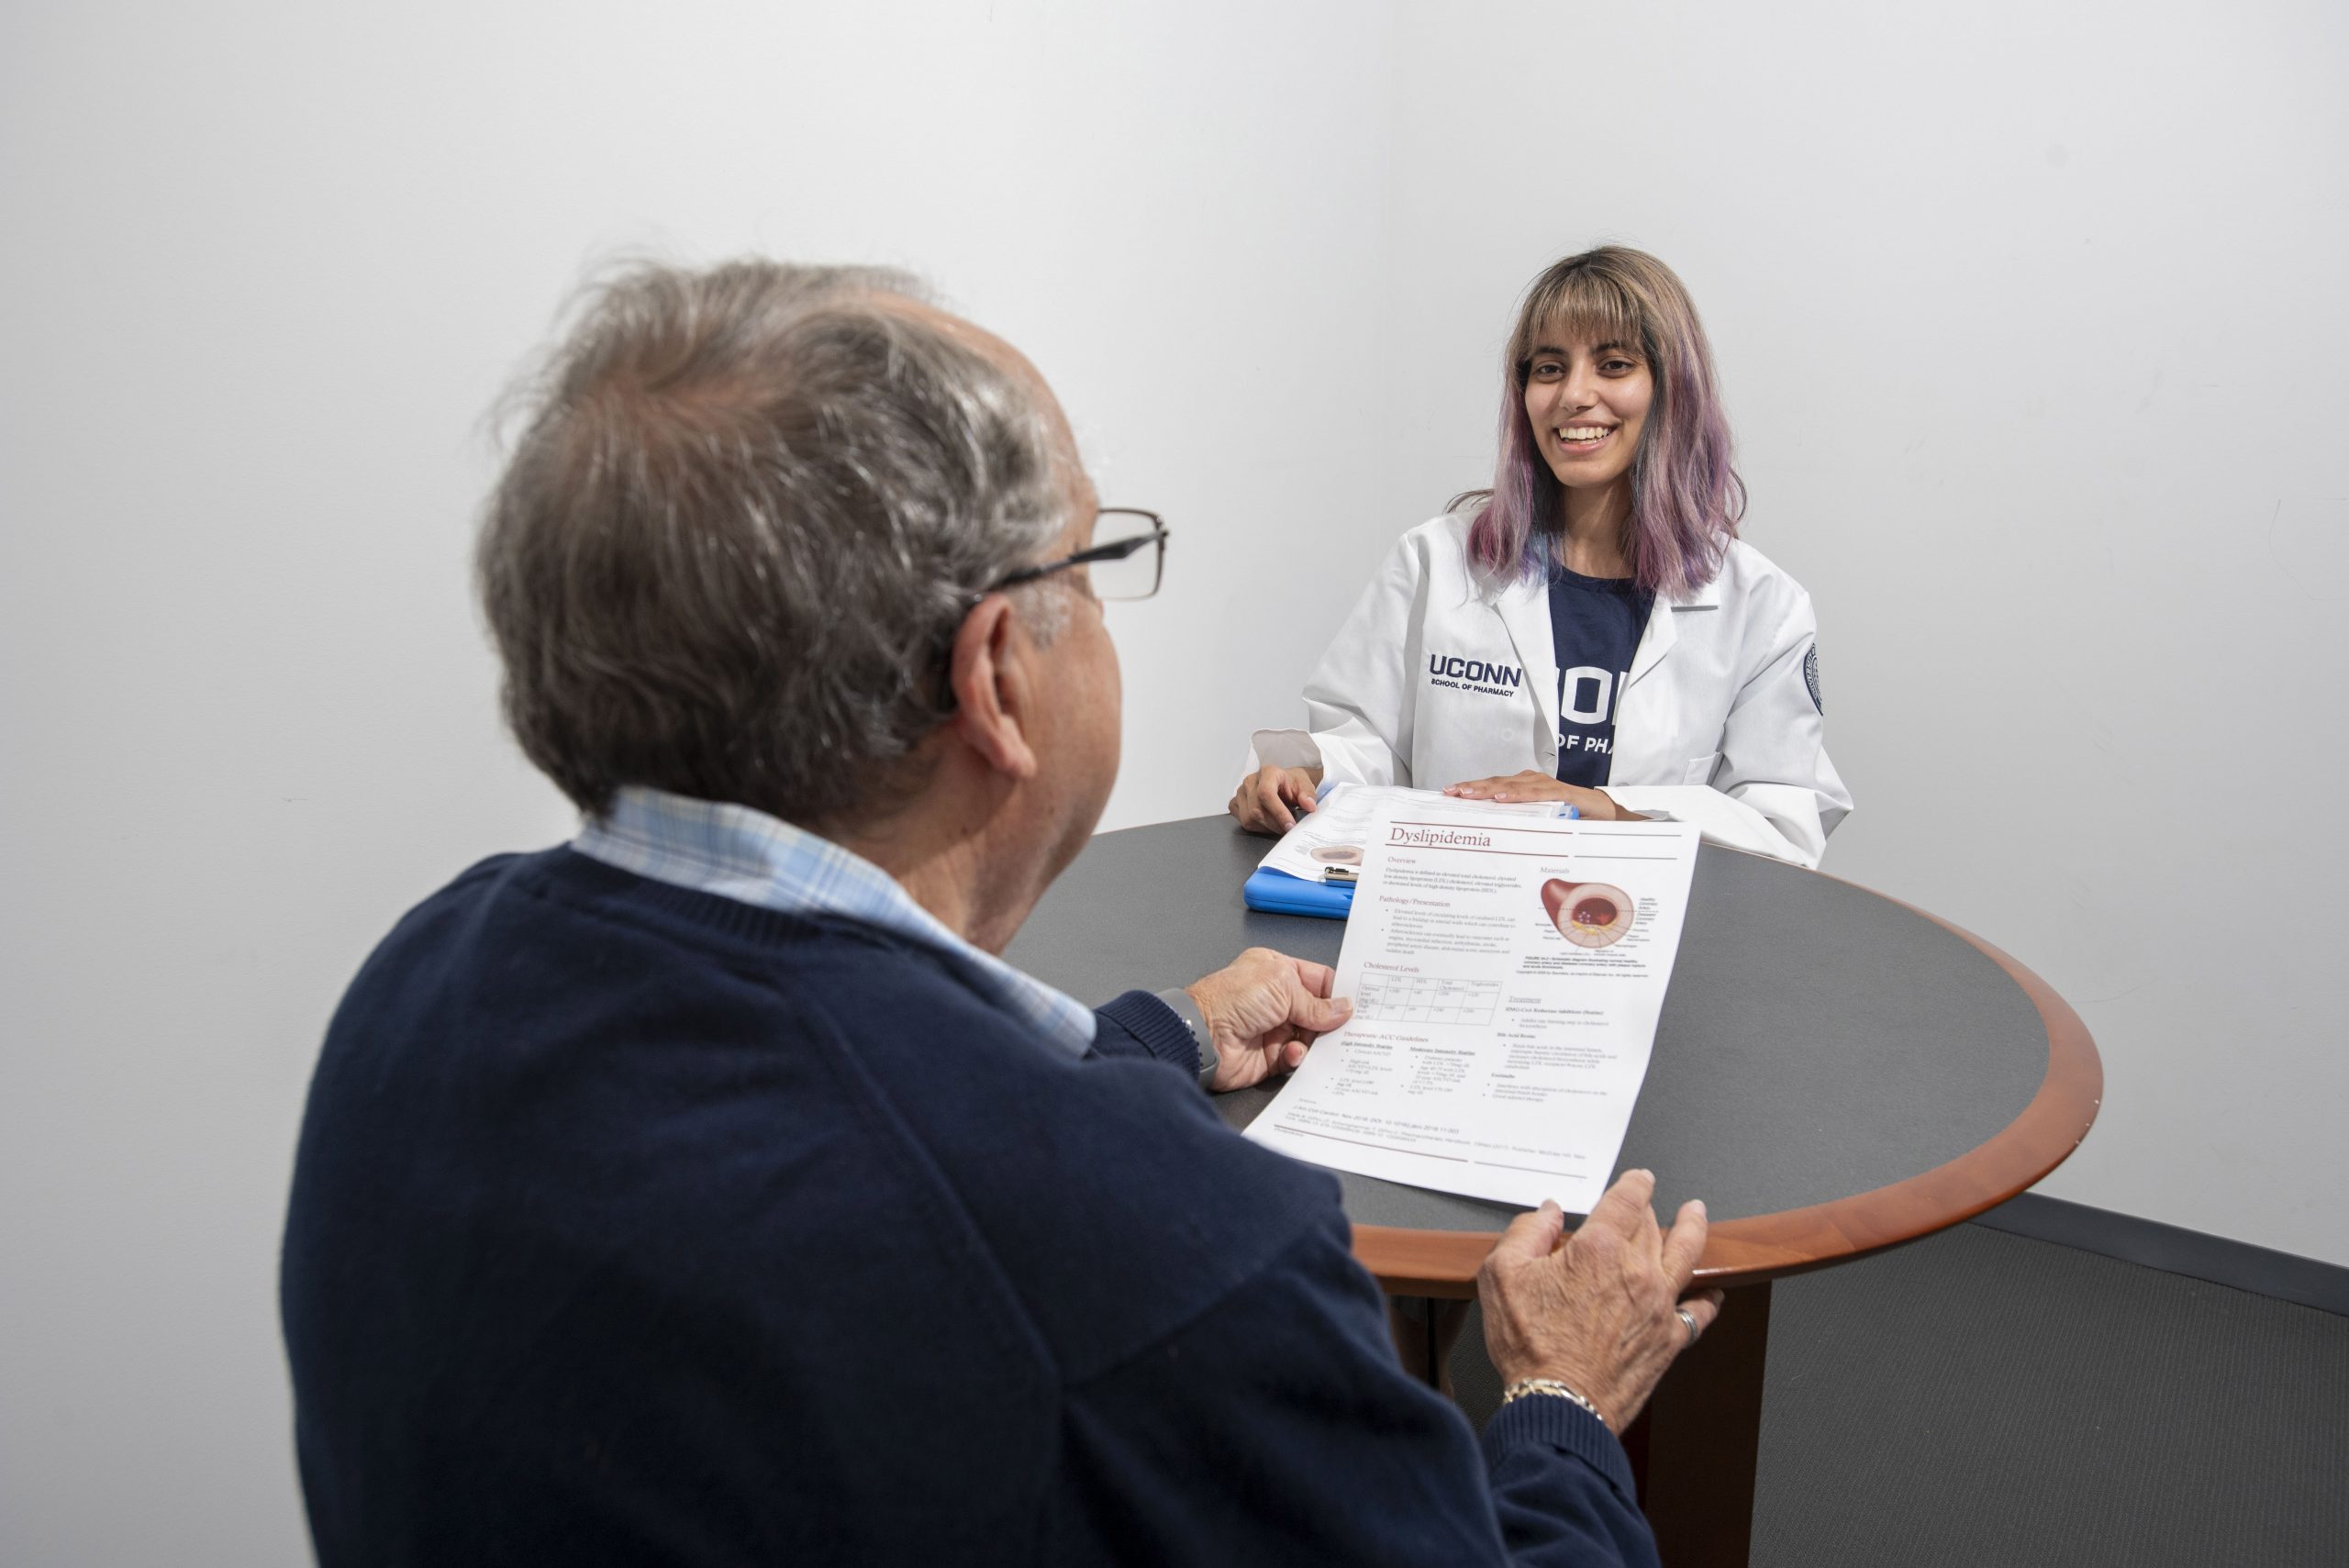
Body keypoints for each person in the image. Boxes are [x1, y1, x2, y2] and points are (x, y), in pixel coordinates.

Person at [280, 260, 1722, 1566]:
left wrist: (1156, 1036)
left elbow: (846, 1119)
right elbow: (969, 1182)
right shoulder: (1167, 1249)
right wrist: (1559, 1402)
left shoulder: (420, 986)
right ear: (994, 679)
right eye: (1094, 565)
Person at [1230, 246, 1852, 868]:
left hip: (1647, 923)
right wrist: (1300, 773)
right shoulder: (1436, 562)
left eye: (1614, 364)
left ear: (1673, 390)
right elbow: (1364, 744)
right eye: (1550, 369)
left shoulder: (1762, 607)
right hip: (1453, 906)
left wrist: (1605, 808)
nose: (1574, 395)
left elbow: (1785, 826)